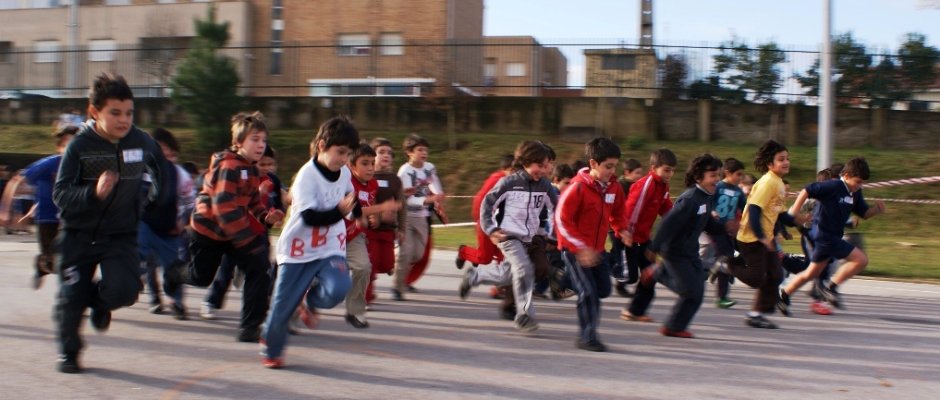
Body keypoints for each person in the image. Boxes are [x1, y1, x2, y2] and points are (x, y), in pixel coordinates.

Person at [52, 73, 169, 373]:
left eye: (129, 113)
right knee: (70, 299)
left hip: (120, 234)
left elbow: (161, 170)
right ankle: (69, 354)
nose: (123, 120)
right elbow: (61, 193)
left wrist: (151, 203)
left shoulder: (140, 141)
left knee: (126, 291)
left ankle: (101, 303)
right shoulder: (79, 147)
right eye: (114, 113)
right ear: (95, 112)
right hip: (78, 235)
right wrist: (93, 193)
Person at [167, 111, 285, 343]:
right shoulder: (230, 167)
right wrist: (246, 239)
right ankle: (173, 272)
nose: (261, 145)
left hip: (231, 231)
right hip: (208, 232)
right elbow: (223, 207)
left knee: (258, 267)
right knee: (201, 278)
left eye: (263, 140)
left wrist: (266, 217)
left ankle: (250, 327)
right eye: (255, 139)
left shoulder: (251, 168)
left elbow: (251, 202)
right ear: (238, 142)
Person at [260, 115, 361, 369]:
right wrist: (339, 212)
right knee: (282, 308)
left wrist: (356, 212)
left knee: (339, 287)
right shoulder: (307, 176)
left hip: (329, 247)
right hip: (298, 250)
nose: (344, 159)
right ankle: (271, 346)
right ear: (321, 146)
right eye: (340, 152)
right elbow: (310, 217)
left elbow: (349, 192)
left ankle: (309, 301)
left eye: (348, 154)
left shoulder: (345, 171)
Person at [458, 141, 556, 332]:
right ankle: (524, 315)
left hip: (530, 237)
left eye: (546, 166)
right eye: (540, 165)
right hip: (508, 236)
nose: (544, 170)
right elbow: (486, 205)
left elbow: (558, 209)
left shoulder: (544, 185)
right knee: (524, 268)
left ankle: (475, 276)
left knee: (510, 273)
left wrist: (553, 234)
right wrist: (491, 229)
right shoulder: (509, 182)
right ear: (527, 161)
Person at [777, 157, 885, 314]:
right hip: (823, 235)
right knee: (860, 260)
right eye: (858, 181)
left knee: (811, 273)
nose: (860, 185)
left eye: (862, 183)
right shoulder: (834, 186)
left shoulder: (855, 192)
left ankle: (785, 295)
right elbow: (807, 189)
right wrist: (794, 212)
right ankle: (831, 288)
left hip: (831, 236)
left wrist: (876, 209)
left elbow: (864, 213)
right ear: (846, 175)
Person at [554, 138, 630, 352]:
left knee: (603, 290)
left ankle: (563, 279)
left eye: (615, 166)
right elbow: (561, 221)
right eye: (608, 166)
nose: (612, 170)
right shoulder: (577, 188)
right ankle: (587, 337)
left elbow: (617, 213)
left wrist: (622, 229)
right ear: (593, 164)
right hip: (575, 250)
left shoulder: (613, 187)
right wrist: (580, 248)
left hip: (596, 250)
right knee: (588, 292)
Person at [642, 154, 727, 338]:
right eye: (713, 175)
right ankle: (658, 272)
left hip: (690, 252)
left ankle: (674, 326)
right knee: (688, 291)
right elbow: (667, 223)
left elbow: (708, 225)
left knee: (697, 292)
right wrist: (654, 247)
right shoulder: (690, 199)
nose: (717, 179)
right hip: (674, 251)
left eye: (719, 175)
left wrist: (726, 228)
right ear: (699, 177)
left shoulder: (706, 197)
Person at [200, 144, 285, 320]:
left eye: (271, 164)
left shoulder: (274, 181)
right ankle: (211, 302)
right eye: (263, 165)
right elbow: (232, 206)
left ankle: (261, 307)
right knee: (226, 271)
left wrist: (276, 216)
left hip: (260, 233)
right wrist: (259, 194)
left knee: (264, 271)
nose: (267, 168)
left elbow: (276, 204)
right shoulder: (243, 178)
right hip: (238, 233)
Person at [734, 140, 799, 329]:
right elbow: (754, 210)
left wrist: (798, 221)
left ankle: (756, 314)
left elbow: (780, 214)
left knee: (775, 275)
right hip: (751, 237)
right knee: (756, 278)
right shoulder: (767, 182)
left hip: (766, 237)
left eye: (787, 158)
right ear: (770, 164)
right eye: (781, 159)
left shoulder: (778, 183)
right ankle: (726, 264)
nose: (786, 162)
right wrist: (762, 236)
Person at [139, 127, 194, 320]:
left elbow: (189, 201)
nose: (165, 154)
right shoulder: (139, 169)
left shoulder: (179, 174)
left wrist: (183, 219)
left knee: (172, 268)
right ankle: (153, 298)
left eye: (169, 151)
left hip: (168, 228)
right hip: (145, 223)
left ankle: (176, 301)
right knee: (146, 260)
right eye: (159, 149)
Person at [344, 142, 400, 328]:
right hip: (335, 235)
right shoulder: (347, 183)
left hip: (355, 236)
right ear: (352, 166)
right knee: (318, 277)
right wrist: (381, 209)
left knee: (364, 267)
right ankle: (298, 307)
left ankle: (355, 311)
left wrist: (375, 216)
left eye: (372, 163)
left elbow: (370, 200)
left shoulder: (373, 183)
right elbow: (356, 210)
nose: (370, 168)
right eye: (365, 163)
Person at [620, 149, 677, 323]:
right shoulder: (646, 185)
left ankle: (634, 311)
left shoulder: (663, 186)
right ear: (654, 168)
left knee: (649, 275)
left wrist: (680, 222)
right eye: (666, 170)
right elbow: (631, 210)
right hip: (629, 237)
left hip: (644, 238)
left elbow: (666, 208)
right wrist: (626, 234)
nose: (670, 174)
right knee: (629, 276)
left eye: (672, 170)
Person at [21, 126, 76, 289]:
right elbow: (24, 176)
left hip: (72, 219)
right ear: (59, 147)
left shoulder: (83, 166)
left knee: (72, 262)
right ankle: (41, 265)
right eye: (68, 144)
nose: (72, 148)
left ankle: (74, 299)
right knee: (53, 262)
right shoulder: (50, 164)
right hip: (48, 218)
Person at [393, 133, 444, 301]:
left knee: (418, 254)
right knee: (406, 253)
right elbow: (407, 199)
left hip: (422, 217)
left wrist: (438, 194)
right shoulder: (405, 172)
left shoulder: (429, 167)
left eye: (426, 150)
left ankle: (397, 260)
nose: (424, 153)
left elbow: (434, 183)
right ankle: (398, 288)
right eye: (420, 150)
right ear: (409, 152)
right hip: (406, 217)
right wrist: (429, 199)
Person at [364, 138, 406, 305]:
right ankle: (366, 296)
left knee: (387, 264)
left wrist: (401, 228)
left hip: (388, 230)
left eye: (389, 153)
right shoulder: (367, 176)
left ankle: (369, 278)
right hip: (370, 230)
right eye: (381, 152)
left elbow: (402, 206)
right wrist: (377, 215)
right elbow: (363, 201)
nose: (386, 155)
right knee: (370, 265)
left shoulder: (395, 180)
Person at [455, 154, 514, 269]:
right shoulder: (499, 180)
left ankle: (502, 281)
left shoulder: (508, 181)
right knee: (484, 258)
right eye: (515, 171)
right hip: (486, 221)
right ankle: (464, 252)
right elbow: (480, 201)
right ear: (508, 169)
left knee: (503, 254)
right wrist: (484, 223)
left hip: (499, 223)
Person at [703, 157, 747, 309]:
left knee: (727, 259)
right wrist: (712, 212)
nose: (740, 178)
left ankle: (721, 294)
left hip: (728, 231)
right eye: (738, 174)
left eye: (742, 175)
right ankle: (713, 273)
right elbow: (707, 202)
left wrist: (741, 223)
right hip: (714, 228)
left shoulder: (738, 192)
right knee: (726, 257)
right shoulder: (718, 187)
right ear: (728, 172)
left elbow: (746, 208)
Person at [611, 158, 645, 296]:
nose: (640, 176)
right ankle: (620, 283)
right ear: (627, 173)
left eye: (641, 173)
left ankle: (623, 279)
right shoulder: (620, 186)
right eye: (637, 173)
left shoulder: (637, 186)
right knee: (620, 255)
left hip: (628, 227)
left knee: (624, 255)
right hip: (615, 227)